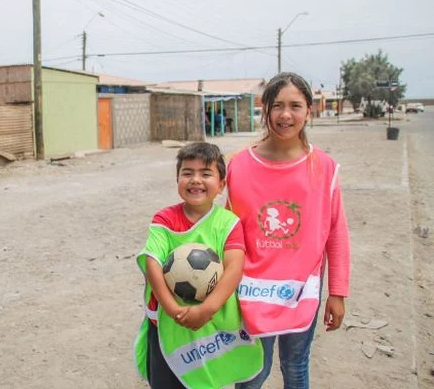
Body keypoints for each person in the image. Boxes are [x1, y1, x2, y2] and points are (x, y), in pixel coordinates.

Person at [226, 72, 351, 389]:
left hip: (302, 290)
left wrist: (337, 292)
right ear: (264, 109)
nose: (285, 115)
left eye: (295, 105)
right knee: (253, 371)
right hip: (252, 290)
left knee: (295, 367)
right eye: (277, 105)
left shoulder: (323, 167)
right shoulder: (239, 166)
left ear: (309, 110)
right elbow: (226, 231)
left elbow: (335, 233)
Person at [134, 142, 263, 389]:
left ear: (221, 184)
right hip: (167, 322)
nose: (196, 180)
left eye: (205, 174)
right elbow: (152, 263)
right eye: (187, 173)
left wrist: (207, 309)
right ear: (177, 179)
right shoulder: (164, 219)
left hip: (210, 324)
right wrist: (172, 308)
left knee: (205, 381)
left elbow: (234, 267)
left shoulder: (228, 223)